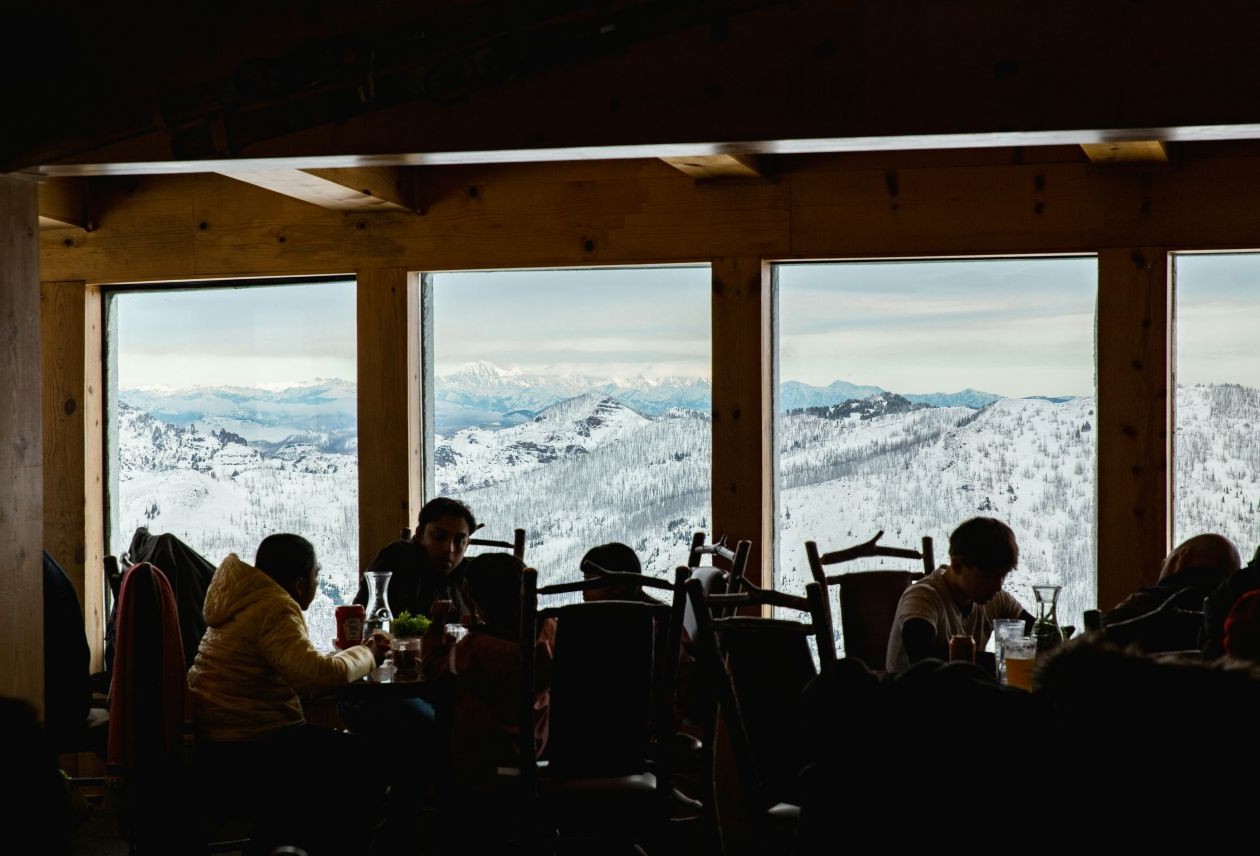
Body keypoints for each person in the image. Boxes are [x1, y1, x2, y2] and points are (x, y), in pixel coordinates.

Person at [187, 534, 390, 856]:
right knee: (366, 762)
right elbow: (316, 677)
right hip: (250, 742)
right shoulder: (275, 607)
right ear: (299, 583)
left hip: (218, 736)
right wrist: (367, 654)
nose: (316, 582)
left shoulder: (244, 600)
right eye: (315, 575)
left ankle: (278, 842)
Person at [418, 553, 555, 846]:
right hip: (541, 749)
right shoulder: (549, 632)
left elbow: (431, 667)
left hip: (484, 763)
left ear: (475, 599)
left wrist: (437, 623)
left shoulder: (475, 649)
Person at [885, 516, 1032, 673]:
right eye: (988, 576)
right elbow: (923, 660)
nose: (998, 586)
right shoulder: (922, 597)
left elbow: (1041, 636)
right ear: (957, 566)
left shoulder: (996, 598)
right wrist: (1003, 661)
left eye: (1004, 575)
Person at [1101, 533, 1241, 653]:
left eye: (1165, 563)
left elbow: (1092, 646)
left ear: (1180, 559)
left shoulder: (1146, 603)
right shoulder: (1238, 614)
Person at [354, 496, 478, 621]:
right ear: (419, 534)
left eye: (459, 541)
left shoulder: (469, 575)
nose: (449, 548)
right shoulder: (398, 559)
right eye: (439, 536)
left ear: (467, 544)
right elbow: (366, 621)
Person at [580, 541, 664, 604]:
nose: (583, 588)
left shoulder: (656, 620)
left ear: (619, 586)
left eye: (590, 580)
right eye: (585, 579)